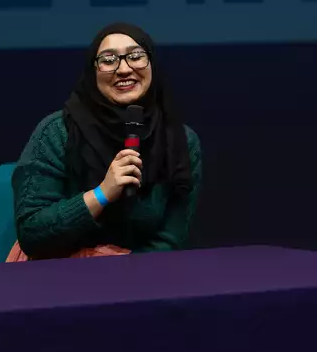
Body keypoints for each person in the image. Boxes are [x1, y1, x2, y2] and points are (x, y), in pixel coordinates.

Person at [11, 22, 203, 260]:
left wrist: (124, 277)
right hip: (57, 272)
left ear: (152, 64)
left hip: (144, 275)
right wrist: (102, 194)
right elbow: (33, 233)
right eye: (109, 60)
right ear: (93, 71)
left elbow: (169, 238)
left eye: (135, 56)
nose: (123, 69)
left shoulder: (181, 141)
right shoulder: (57, 132)